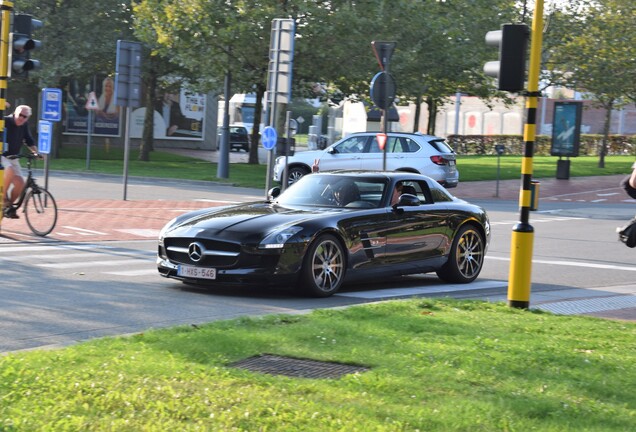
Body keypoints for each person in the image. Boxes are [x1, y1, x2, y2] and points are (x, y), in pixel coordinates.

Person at [2, 105, 38, 219]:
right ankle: (3, 198)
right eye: (20, 115)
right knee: (10, 171)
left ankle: (9, 206)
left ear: (27, 118)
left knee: (20, 184)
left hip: (14, 157)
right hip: (2, 155)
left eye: (25, 116)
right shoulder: (5, 121)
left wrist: (36, 152)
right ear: (15, 113)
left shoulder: (24, 125)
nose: (21, 118)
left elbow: (28, 140)